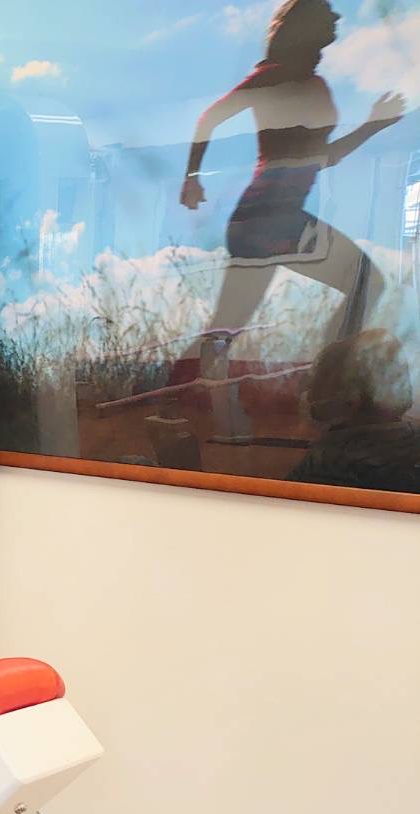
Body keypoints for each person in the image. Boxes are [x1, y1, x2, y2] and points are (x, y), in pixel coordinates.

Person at [177, 0, 405, 382]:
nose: (336, 17)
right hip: (269, 215)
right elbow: (209, 118)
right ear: (305, 25)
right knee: (366, 280)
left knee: (226, 326)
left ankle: (167, 396)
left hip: (269, 218)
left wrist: (373, 126)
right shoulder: (275, 75)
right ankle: (326, 380)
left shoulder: (311, 83)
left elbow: (323, 157)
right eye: (326, 13)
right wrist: (191, 176)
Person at [288, 328, 420, 493]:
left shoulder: (329, 465)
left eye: (317, 386)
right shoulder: (411, 447)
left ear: (351, 401)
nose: (308, 396)